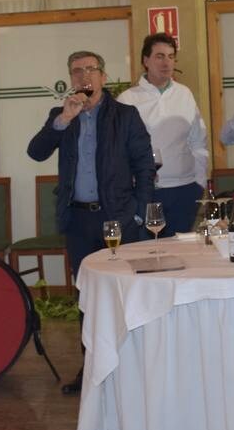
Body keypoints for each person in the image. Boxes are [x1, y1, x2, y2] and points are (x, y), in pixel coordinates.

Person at [28, 50, 155, 395]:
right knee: (87, 298)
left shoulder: (124, 115)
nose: (84, 77)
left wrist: (138, 213)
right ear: (70, 78)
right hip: (79, 220)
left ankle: (131, 367)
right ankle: (92, 368)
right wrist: (62, 120)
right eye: (76, 71)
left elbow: (145, 166)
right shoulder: (61, 116)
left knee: (122, 295)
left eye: (90, 70)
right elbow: (36, 152)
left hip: (117, 218)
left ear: (102, 75)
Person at [117, 33, 208, 236]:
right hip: (145, 192)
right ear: (145, 60)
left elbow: (198, 140)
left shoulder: (184, 94)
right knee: (149, 255)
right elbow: (120, 150)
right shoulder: (127, 99)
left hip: (184, 190)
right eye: (159, 56)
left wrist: (199, 182)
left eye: (171, 56)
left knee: (181, 254)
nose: (166, 62)